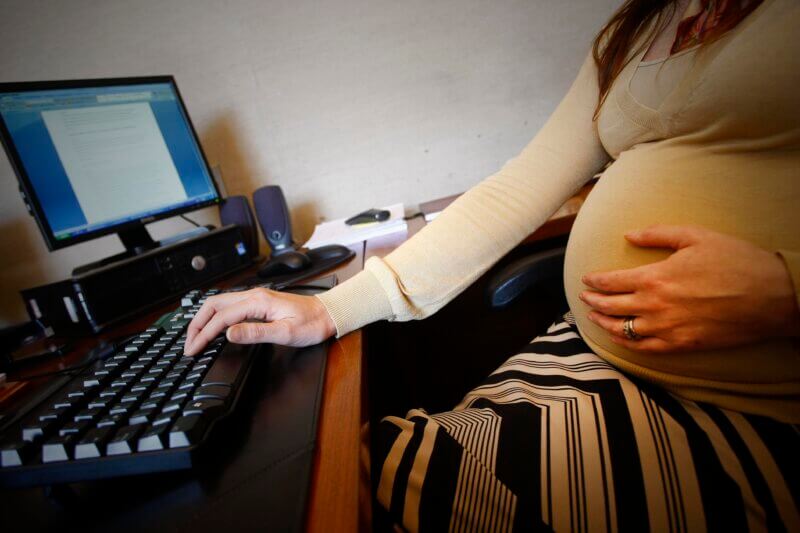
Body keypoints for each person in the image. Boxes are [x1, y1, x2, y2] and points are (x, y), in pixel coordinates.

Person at [185, 0, 799, 529]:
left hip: (751, 401)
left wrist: (786, 290)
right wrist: (328, 308)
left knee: (376, 480)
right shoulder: (643, 25)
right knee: (366, 462)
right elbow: (517, 189)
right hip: (598, 352)